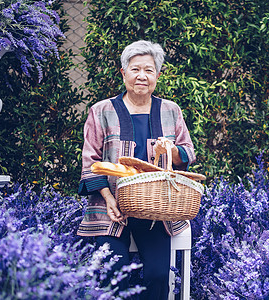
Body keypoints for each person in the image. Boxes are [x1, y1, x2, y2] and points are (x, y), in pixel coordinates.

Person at [77, 40, 196, 299]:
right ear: (123, 73)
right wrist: (109, 200)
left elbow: (188, 153)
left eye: (149, 70)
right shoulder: (101, 111)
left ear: (158, 76)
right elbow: (90, 161)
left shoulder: (171, 110)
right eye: (135, 69)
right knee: (113, 273)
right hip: (112, 211)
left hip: (157, 211)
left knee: (157, 276)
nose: (142, 76)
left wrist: (172, 150)